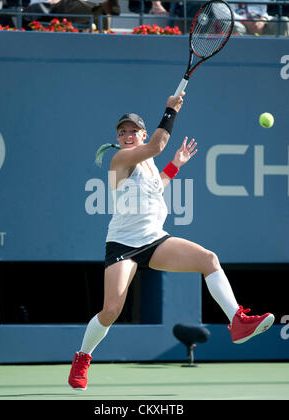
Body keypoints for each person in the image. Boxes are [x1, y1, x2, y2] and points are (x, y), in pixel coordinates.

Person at [68, 92, 275, 391]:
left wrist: (175, 165)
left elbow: (156, 186)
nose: (127, 135)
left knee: (209, 260)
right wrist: (170, 110)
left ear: (140, 133)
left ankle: (238, 321)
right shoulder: (121, 159)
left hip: (154, 239)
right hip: (123, 246)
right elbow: (157, 144)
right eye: (121, 132)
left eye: (132, 131)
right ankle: (82, 357)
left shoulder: (148, 163)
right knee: (111, 310)